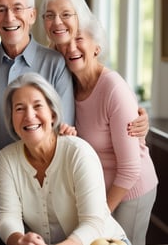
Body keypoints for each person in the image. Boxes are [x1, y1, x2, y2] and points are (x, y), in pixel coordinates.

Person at [56, 16, 158, 245]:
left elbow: (131, 169)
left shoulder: (113, 88)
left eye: (79, 38)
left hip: (130, 191)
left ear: (97, 47)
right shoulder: (68, 86)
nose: (71, 47)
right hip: (98, 192)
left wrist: (101, 214)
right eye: (65, 41)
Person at [0, 72, 130, 245]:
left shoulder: (78, 152)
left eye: (37, 106)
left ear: (52, 114)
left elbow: (93, 223)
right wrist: (20, 240)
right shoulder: (7, 158)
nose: (29, 116)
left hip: (103, 241)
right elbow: (8, 217)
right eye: (19, 108)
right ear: (12, 119)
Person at [0, 0, 75, 154]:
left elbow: (63, 129)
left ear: (32, 15)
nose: (9, 17)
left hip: (45, 172)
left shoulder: (55, 63)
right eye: (1, 10)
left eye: (17, 8)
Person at [40, 0, 149, 138]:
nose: (57, 22)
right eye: (50, 15)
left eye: (65, 14)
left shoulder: (110, 85)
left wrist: (132, 112)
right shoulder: (50, 64)